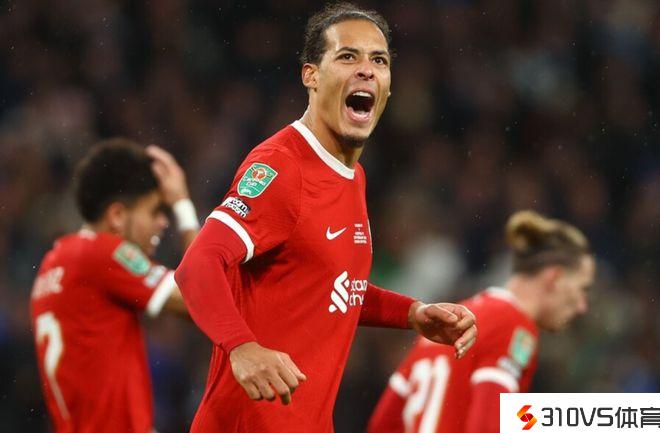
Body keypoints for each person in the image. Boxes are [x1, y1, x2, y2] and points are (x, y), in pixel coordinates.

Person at [174, 3, 477, 433]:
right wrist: (242, 347)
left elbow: (329, 285)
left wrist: (412, 313)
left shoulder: (353, 176)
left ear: (389, 86)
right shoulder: (282, 166)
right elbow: (198, 264)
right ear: (311, 76)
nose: (367, 70)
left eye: (379, 60)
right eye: (348, 56)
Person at [367, 210, 595, 433]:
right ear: (555, 278)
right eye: (582, 288)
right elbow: (488, 425)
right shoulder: (513, 324)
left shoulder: (448, 325)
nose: (582, 306)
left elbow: (381, 424)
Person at [29, 138, 200, 433]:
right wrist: (183, 205)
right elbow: (198, 299)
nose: (163, 222)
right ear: (117, 215)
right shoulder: (100, 253)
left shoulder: (53, 263)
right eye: (154, 211)